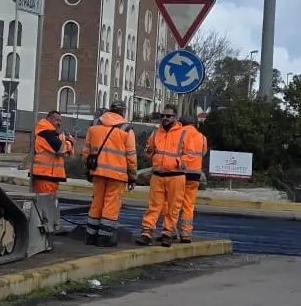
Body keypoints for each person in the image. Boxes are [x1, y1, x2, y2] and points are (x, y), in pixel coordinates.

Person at [82, 99, 137, 247]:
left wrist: (87, 169)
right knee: (111, 204)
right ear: (122, 111)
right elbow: (131, 156)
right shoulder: (126, 129)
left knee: (97, 202)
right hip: (117, 175)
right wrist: (132, 176)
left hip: (98, 171)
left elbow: (86, 150)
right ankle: (104, 238)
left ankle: (90, 236)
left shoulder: (94, 125)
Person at [139, 103, 187, 246]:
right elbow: (149, 153)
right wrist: (148, 151)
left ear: (175, 117)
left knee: (173, 207)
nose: (164, 118)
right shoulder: (155, 133)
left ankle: (167, 233)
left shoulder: (183, 134)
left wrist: (180, 162)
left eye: (168, 116)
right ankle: (147, 232)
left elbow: (191, 155)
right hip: (158, 175)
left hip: (176, 175)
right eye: (162, 116)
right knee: (154, 205)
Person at [176, 114, 209, 242]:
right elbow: (203, 152)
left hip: (180, 172)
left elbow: (175, 151)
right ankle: (186, 233)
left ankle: (171, 230)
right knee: (188, 204)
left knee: (175, 202)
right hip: (195, 174)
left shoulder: (179, 133)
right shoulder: (201, 137)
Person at [31, 110, 73, 196]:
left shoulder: (50, 133)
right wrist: (70, 143)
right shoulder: (46, 132)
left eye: (60, 121)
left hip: (49, 175)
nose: (59, 123)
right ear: (49, 119)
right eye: (57, 120)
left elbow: (62, 152)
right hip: (45, 175)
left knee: (48, 203)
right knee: (44, 203)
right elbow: (60, 149)